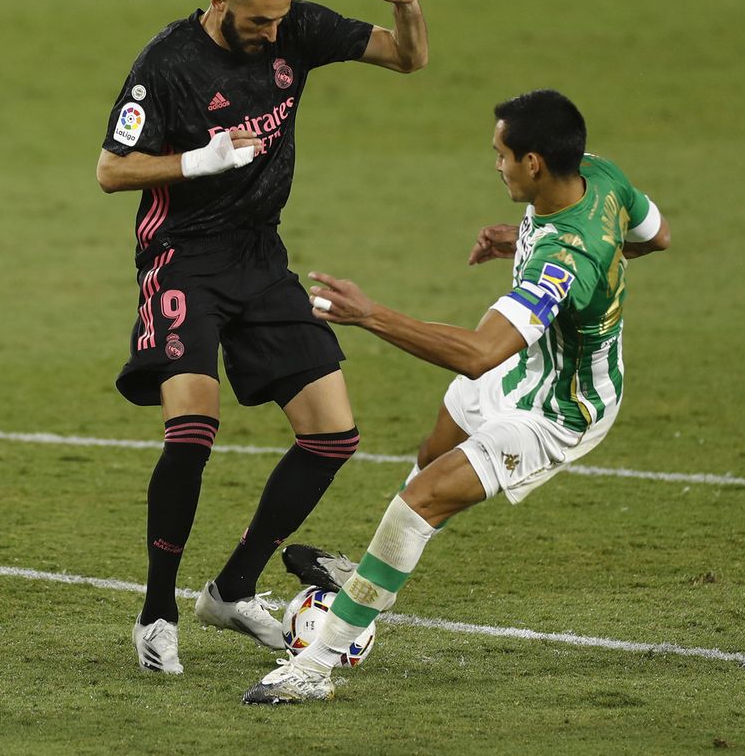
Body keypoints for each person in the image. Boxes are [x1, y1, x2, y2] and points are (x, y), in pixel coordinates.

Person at [242, 89, 671, 703]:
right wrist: (521, 246)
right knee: (435, 445)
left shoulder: (563, 261)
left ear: (534, 163)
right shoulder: (599, 175)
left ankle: (318, 665)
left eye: (501, 154)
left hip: (558, 410)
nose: (493, 163)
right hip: (523, 370)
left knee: (423, 499)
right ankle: (370, 573)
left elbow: (476, 352)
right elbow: (656, 239)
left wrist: (370, 315)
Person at [96, 0, 429, 674]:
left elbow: (408, 59)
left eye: (278, 22)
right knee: (192, 431)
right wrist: (200, 160)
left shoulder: (296, 27)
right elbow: (111, 170)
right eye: (257, 22)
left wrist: (408, 10)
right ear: (220, 1)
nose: (273, 35)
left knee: (333, 436)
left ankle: (233, 588)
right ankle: (156, 614)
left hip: (260, 257)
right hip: (182, 256)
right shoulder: (168, 64)